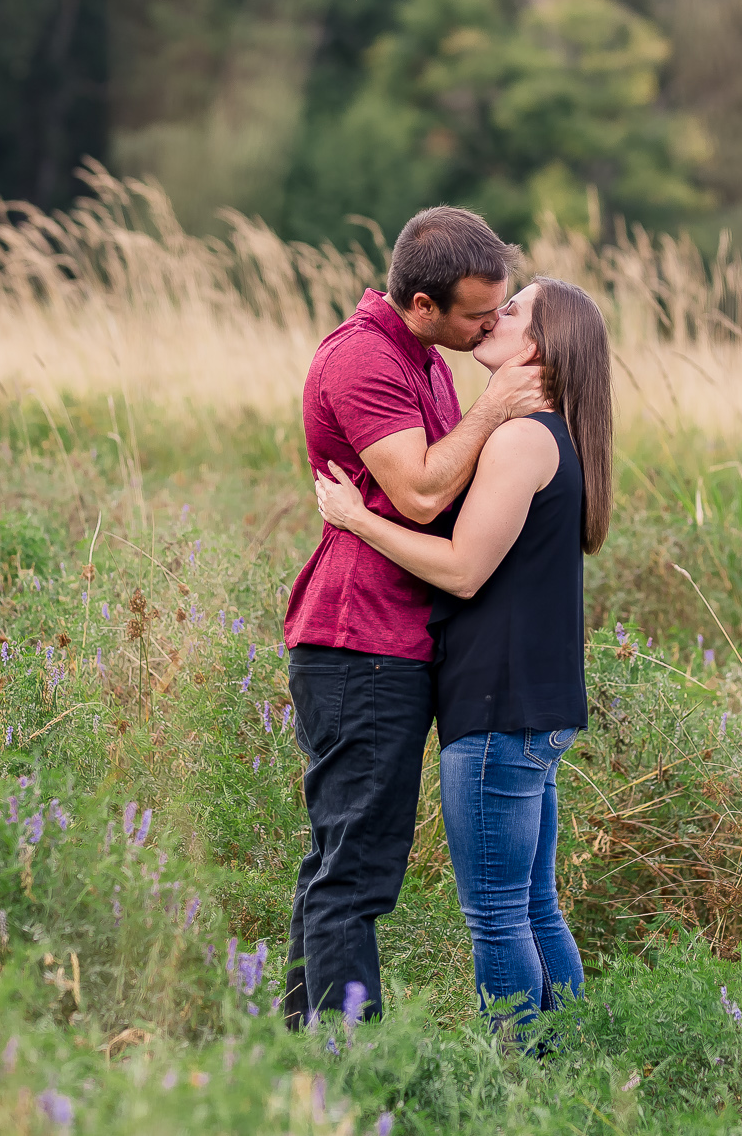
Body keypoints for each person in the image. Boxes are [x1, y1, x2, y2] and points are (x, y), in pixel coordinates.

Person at [312, 276, 612, 1034]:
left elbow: (462, 567)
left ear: (536, 346)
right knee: (534, 905)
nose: (492, 317)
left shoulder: (518, 439)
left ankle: (520, 1079)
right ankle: (566, 1066)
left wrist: (355, 518)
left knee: (496, 918)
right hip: (533, 707)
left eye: (512, 311)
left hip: (495, 707)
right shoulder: (557, 436)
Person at [280, 205, 549, 1027]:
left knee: (338, 859)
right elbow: (423, 489)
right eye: (477, 313)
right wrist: (498, 403)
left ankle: (301, 1052)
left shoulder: (424, 354)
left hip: (393, 640)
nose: (490, 325)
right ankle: (349, 1066)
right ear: (423, 303)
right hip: (360, 641)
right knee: (355, 872)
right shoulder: (364, 358)